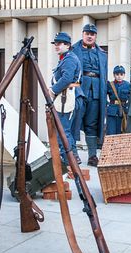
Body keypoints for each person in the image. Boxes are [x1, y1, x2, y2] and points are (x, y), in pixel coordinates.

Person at [71, 24, 108, 167]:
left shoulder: (102, 53)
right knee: (75, 122)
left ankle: (92, 156)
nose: (89, 36)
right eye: (87, 33)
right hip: (79, 90)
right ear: (83, 34)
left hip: (97, 92)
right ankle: (73, 154)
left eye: (92, 34)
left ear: (95, 36)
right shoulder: (73, 50)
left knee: (92, 124)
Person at [48, 32, 84, 165]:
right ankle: (72, 158)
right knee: (65, 130)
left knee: (63, 131)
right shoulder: (66, 58)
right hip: (66, 96)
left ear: (68, 45)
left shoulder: (69, 59)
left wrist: (52, 90)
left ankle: (68, 160)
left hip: (66, 97)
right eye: (55, 43)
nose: (56, 46)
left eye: (60, 43)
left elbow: (67, 79)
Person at [106, 65, 131, 135]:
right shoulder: (110, 84)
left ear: (124, 75)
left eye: (121, 74)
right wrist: (107, 104)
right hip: (112, 110)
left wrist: (127, 107)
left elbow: (130, 97)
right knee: (111, 132)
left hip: (123, 110)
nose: (119, 76)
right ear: (114, 75)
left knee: (121, 131)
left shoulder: (128, 85)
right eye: (117, 74)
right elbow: (103, 95)